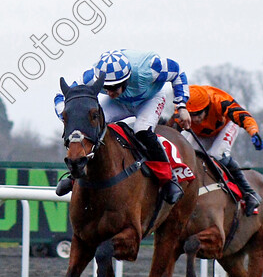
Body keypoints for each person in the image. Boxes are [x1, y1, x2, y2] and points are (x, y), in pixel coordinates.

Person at [54, 49, 190, 204]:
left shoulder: (151, 68)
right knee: (94, 125)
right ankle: (75, 176)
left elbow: (177, 72)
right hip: (120, 103)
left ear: (127, 79)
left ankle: (168, 179)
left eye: (114, 87)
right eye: (106, 87)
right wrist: (65, 116)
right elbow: (60, 95)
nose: (110, 92)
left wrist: (182, 105)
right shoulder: (92, 76)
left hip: (150, 99)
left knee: (142, 131)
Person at [174, 85, 263, 215]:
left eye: (197, 114)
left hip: (226, 126)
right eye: (190, 115)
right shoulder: (179, 108)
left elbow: (243, 116)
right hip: (201, 133)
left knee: (215, 155)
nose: (194, 119)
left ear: (207, 107)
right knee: (184, 155)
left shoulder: (219, 100)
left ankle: (250, 193)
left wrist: (253, 132)